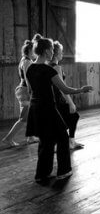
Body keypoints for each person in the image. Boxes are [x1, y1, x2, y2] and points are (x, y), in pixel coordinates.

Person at [25, 36, 92, 182]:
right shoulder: (49, 70)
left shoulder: (30, 68)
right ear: (47, 51)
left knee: (46, 141)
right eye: (51, 50)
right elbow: (65, 90)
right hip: (47, 108)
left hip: (35, 107)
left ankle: (42, 174)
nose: (52, 52)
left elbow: (30, 90)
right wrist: (82, 89)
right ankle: (64, 171)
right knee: (62, 137)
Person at [2, 37, 38, 147]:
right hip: (25, 91)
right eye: (34, 51)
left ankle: (30, 137)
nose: (35, 53)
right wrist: (32, 91)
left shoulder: (25, 60)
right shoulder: (27, 61)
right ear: (29, 51)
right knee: (23, 118)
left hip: (24, 90)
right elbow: (28, 78)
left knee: (30, 115)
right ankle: (8, 139)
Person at [48, 41, 83, 150]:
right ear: (56, 53)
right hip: (58, 98)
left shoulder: (47, 65)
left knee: (64, 121)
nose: (62, 54)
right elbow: (62, 88)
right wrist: (71, 103)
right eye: (61, 52)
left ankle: (67, 142)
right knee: (73, 116)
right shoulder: (57, 67)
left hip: (51, 98)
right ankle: (68, 142)